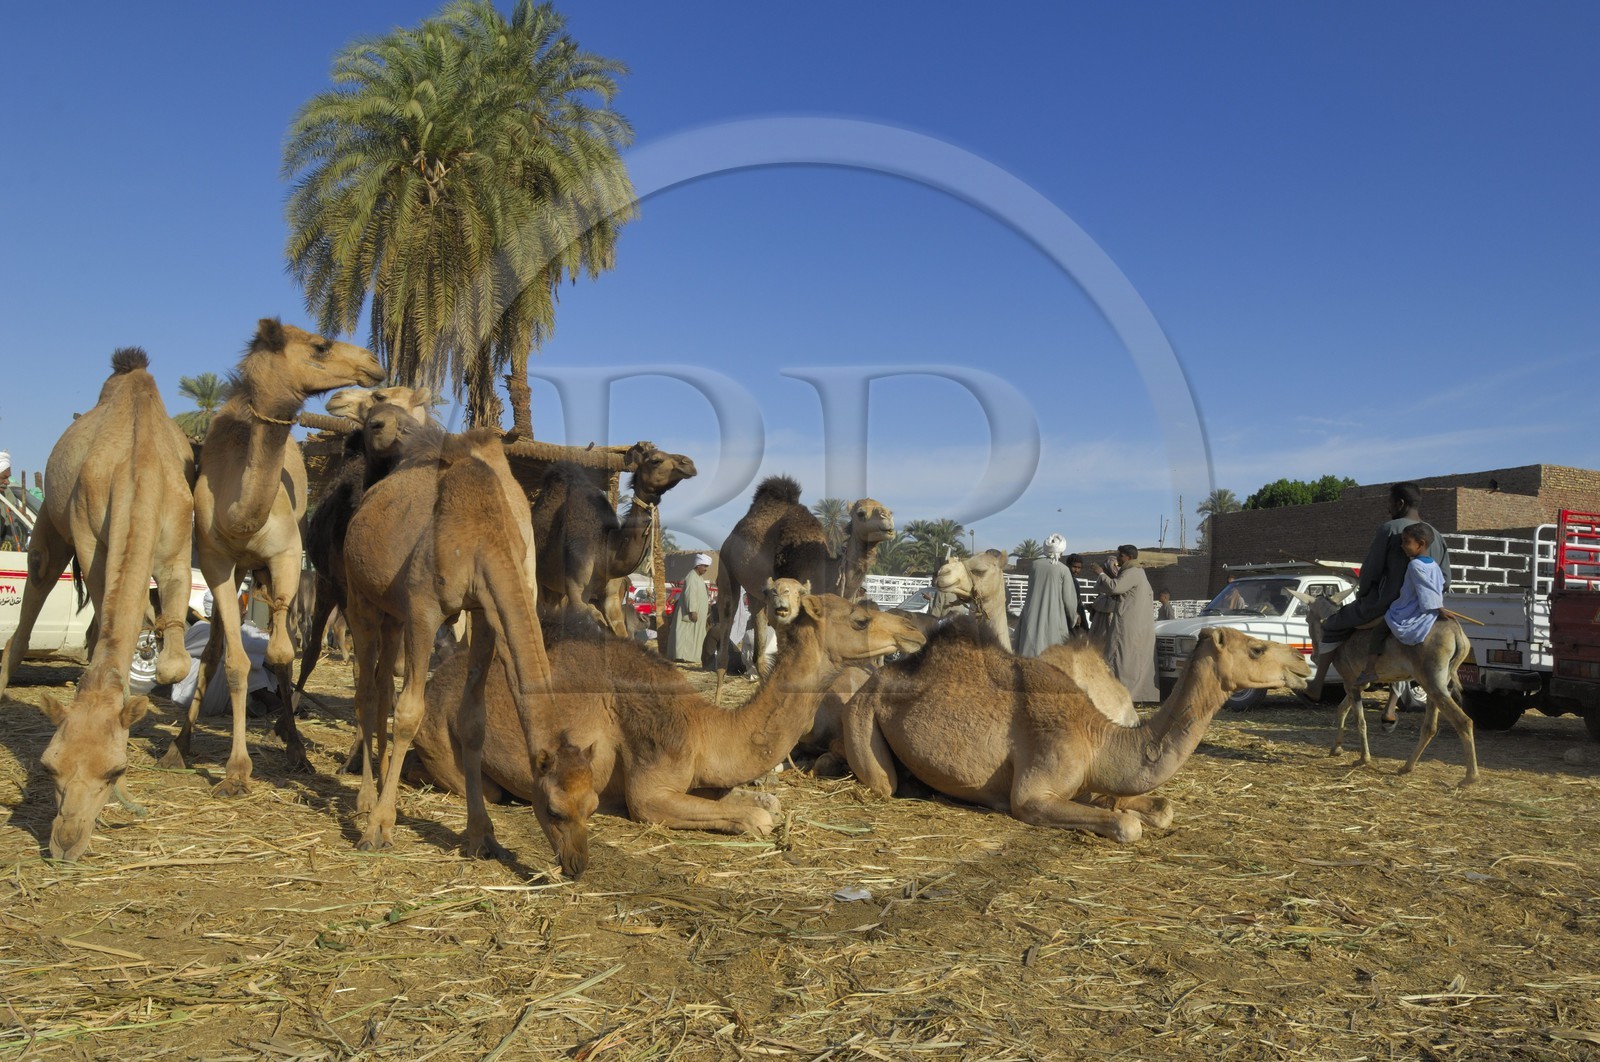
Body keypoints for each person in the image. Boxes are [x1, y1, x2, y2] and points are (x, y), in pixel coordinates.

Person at [1307, 482, 1451, 699]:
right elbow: (1446, 579)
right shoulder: (1436, 535)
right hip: (1424, 608)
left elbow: (1370, 572)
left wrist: (1362, 595)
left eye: (1390, 504)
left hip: (1384, 604)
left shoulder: (1389, 529)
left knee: (1333, 624)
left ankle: (1317, 685)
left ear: (1400, 503)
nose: (1388, 509)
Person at [1356, 523, 1447, 728]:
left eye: (1407, 542)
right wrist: (1439, 606)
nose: (1403, 546)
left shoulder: (1414, 566)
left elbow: (1426, 591)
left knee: (1379, 631)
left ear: (1421, 544)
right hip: (1429, 607)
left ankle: (1369, 669)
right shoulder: (1433, 564)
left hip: (1409, 609)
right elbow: (1438, 586)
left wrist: (1436, 607)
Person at [1095, 544, 1159, 702]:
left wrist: (1101, 574)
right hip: (1135, 624)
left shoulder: (1132, 572)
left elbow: (1115, 588)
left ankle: (1119, 694)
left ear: (1128, 557)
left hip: (1127, 624)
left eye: (1120, 556)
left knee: (1120, 657)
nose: (1118, 559)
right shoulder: (1138, 572)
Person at [1014, 533, 1079, 657]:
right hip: (1054, 618)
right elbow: (1069, 600)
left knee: (1029, 652)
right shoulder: (1063, 569)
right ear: (1061, 551)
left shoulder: (1034, 565)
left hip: (1031, 615)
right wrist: (1074, 617)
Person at [666, 553, 712, 665]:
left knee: (695, 636)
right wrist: (692, 610)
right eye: (704, 566)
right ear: (698, 565)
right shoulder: (691, 577)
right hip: (691, 614)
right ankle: (682, 656)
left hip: (698, 616)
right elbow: (690, 595)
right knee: (686, 635)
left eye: (707, 566)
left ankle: (692, 656)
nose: (706, 569)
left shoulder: (698, 578)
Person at [1064, 553, 1093, 631]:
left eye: (1079, 568)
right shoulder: (1062, 581)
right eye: (1074, 567)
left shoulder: (1075, 582)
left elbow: (1078, 603)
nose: (1076, 570)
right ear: (1067, 566)